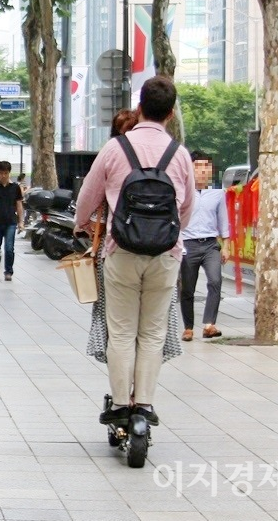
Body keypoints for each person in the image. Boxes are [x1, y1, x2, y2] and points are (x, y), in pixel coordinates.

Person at [74, 76, 195, 427]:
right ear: (170, 113)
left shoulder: (115, 149)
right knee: (153, 332)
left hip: (121, 251)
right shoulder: (180, 155)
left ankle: (121, 405)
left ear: (139, 106)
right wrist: (170, 236)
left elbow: (87, 199)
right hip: (166, 255)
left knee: (122, 331)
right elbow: (186, 208)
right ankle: (144, 404)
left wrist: (82, 223)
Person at [180, 151, 230, 341]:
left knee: (215, 281)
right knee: (187, 288)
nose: (202, 171)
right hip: (187, 244)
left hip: (210, 244)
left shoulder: (218, 194)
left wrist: (225, 246)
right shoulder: (183, 193)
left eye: (206, 167)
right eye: (198, 166)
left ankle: (209, 324)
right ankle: (188, 327)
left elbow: (223, 221)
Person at [0, 161, 24, 281]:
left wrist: (21, 221)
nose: (4, 176)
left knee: (9, 248)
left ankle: (8, 271)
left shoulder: (15, 187)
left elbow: (19, 205)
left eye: (6, 173)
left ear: (9, 173)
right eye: (1, 173)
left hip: (10, 222)